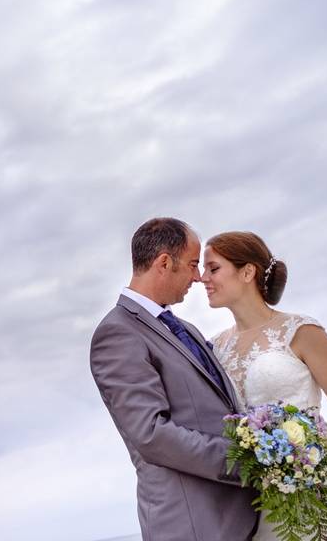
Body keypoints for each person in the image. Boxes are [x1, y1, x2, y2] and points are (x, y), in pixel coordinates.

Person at [90, 217, 258, 541]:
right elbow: (152, 435)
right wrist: (246, 463)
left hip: (240, 518)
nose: (198, 277)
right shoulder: (117, 333)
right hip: (195, 526)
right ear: (164, 263)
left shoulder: (187, 329)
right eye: (193, 265)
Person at [203, 231, 327, 540]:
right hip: (255, 507)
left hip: (316, 495)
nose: (203, 278)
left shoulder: (301, 330)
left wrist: (303, 466)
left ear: (247, 271)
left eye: (213, 268)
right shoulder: (215, 348)